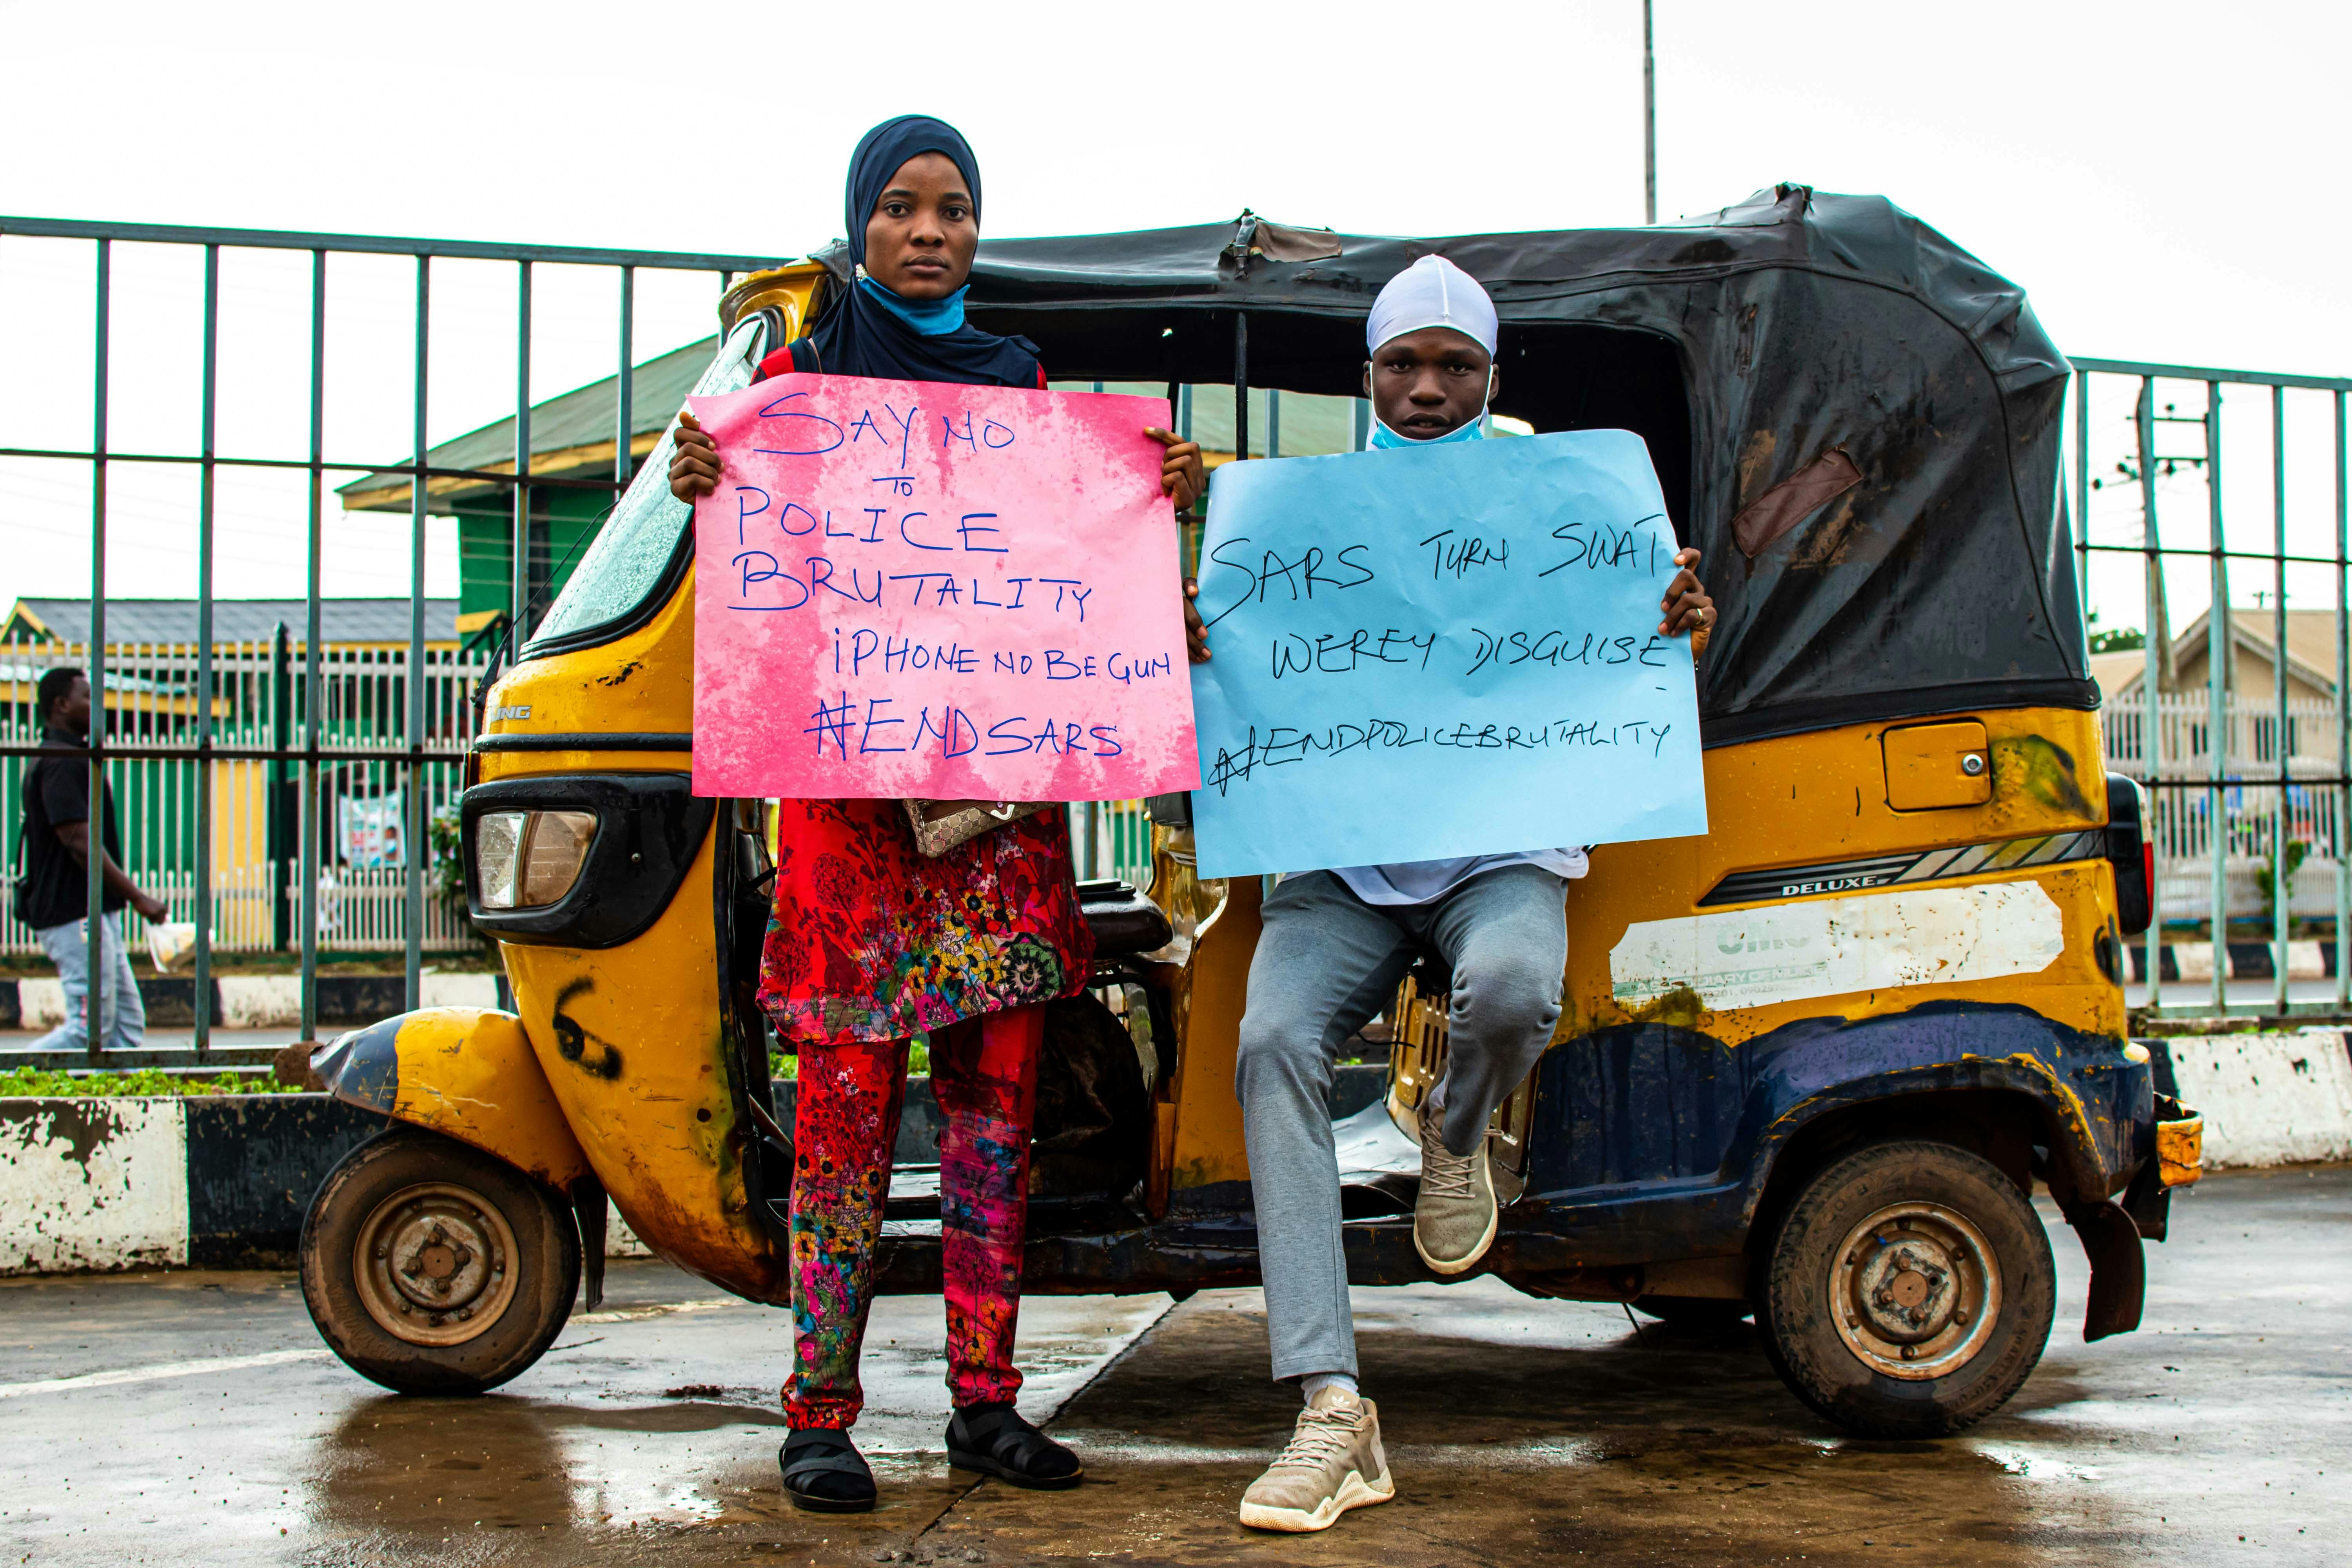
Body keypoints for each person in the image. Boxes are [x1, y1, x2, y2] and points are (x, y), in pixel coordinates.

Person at [667, 114, 1206, 1515]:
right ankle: (819, 1413)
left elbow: (1071, 566)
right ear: (860, 224)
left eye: (953, 208)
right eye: (900, 207)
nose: (928, 231)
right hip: (850, 816)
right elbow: (751, 549)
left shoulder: (1019, 388)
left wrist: (1158, 494)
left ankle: (985, 1399)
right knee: (843, 1114)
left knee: (991, 1114)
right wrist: (701, 479)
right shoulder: (794, 384)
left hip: (996, 804)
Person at [1184, 255, 1715, 1534]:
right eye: (1402, 365)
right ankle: (1330, 1410)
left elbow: (1621, 636)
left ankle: (1456, 1130)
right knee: (1272, 1043)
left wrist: (1672, 616)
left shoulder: (1562, 506)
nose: (1427, 388)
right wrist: (1207, 637)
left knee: (1518, 984)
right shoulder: (1297, 516)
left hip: (1501, 846)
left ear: (1491, 375)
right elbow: (1244, 650)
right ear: (1366, 376)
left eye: (1454, 365)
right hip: (1340, 861)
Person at [19, 667, 169, 1052]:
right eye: (87, 697)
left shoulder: (70, 757)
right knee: (89, 1031)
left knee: (125, 1024)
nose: (96, 704)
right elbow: (79, 842)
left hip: (93, 911)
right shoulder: (60, 761)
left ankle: (110, 1104)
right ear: (61, 705)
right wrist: (138, 897)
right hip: (74, 913)